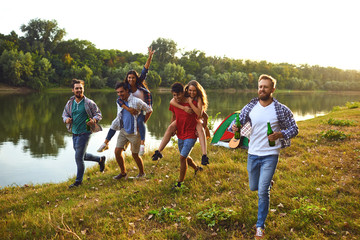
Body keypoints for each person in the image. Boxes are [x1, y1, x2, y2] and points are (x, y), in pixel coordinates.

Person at [228, 74, 298, 239]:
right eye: (260, 87)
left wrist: (280, 134)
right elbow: (234, 126)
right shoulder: (251, 106)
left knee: (262, 192)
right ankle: (267, 182)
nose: (262, 89)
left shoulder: (280, 109)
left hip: (270, 155)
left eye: (265, 87)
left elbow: (294, 129)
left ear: (273, 89)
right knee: (254, 187)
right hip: (253, 153)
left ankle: (260, 227)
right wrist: (235, 126)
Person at [97, 47, 155, 155]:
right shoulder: (126, 87)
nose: (131, 79)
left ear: (136, 78)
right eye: (129, 78)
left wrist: (150, 57)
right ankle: (107, 143)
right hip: (129, 110)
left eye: (133, 78)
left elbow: (144, 71)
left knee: (139, 122)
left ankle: (143, 144)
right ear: (127, 78)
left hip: (141, 108)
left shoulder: (139, 84)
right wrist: (128, 108)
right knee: (116, 122)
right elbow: (119, 100)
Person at [152, 80, 210, 166]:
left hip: (196, 120)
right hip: (182, 121)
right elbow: (171, 102)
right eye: (190, 90)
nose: (192, 92)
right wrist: (184, 108)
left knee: (200, 129)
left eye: (194, 90)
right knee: (170, 127)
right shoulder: (183, 96)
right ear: (186, 90)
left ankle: (204, 155)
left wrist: (190, 103)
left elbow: (202, 115)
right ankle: (158, 151)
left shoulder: (198, 98)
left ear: (197, 91)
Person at [62, 79, 106, 188]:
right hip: (74, 132)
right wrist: (66, 119)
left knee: (78, 157)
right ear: (73, 90)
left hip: (85, 132)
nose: (79, 90)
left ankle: (78, 182)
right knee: (82, 155)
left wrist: (94, 120)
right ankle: (100, 159)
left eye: (80, 88)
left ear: (83, 89)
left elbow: (98, 114)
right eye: (76, 88)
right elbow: (64, 115)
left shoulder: (89, 103)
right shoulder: (70, 103)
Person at [111, 82, 152, 180]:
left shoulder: (137, 101)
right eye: (118, 92)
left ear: (127, 90)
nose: (120, 94)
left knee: (135, 155)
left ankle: (142, 173)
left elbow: (149, 110)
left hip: (134, 132)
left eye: (122, 92)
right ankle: (123, 172)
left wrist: (142, 123)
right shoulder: (119, 101)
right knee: (117, 151)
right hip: (123, 130)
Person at [167, 82, 203, 189]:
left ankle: (180, 183)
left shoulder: (192, 101)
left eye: (178, 94)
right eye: (174, 95)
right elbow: (174, 116)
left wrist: (202, 128)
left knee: (182, 157)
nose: (176, 97)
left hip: (191, 133)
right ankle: (196, 168)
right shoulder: (174, 103)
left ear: (183, 93)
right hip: (181, 133)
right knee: (185, 157)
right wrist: (172, 128)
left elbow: (203, 115)